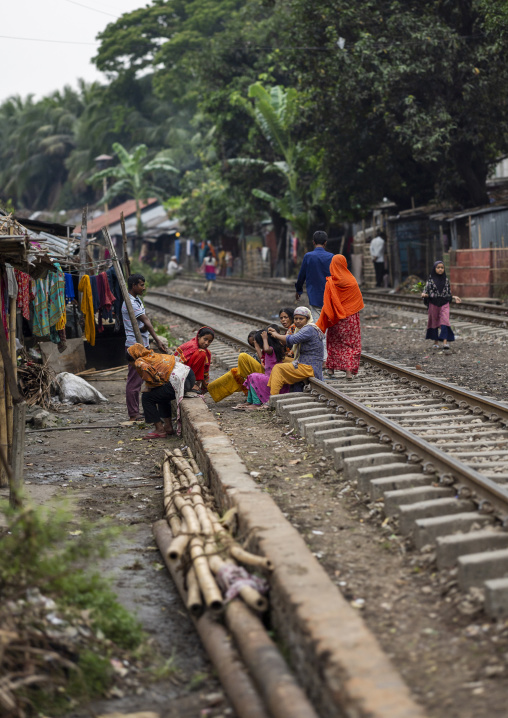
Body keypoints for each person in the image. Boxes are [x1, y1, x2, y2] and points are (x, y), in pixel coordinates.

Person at [127, 344, 198, 439]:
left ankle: (159, 430)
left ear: (133, 359)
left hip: (180, 381)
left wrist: (149, 387)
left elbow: (151, 376)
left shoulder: (139, 362)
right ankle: (168, 426)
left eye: (130, 363)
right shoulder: (152, 355)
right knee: (160, 394)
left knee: (147, 397)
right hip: (189, 376)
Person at [123, 273, 167, 421]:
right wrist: (158, 340)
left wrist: (145, 331)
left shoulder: (136, 300)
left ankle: (137, 411)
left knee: (143, 378)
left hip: (142, 345)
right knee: (134, 381)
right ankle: (133, 414)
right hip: (135, 347)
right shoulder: (130, 303)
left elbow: (141, 326)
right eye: (141, 285)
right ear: (134, 285)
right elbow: (146, 321)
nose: (143, 287)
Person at [316, 254, 364, 379]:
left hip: (335, 319)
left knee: (334, 343)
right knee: (350, 344)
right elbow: (357, 300)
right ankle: (349, 372)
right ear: (344, 264)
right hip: (351, 319)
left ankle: (331, 370)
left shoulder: (330, 283)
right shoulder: (352, 281)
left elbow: (327, 304)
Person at [267, 307, 324, 395]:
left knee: (278, 368)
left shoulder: (309, 329)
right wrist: (277, 335)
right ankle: (277, 391)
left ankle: (273, 398)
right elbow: (291, 344)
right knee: (280, 362)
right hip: (304, 364)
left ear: (307, 319)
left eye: (301, 319)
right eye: (296, 318)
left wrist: (276, 335)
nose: (297, 321)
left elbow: (292, 339)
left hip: (310, 367)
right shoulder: (301, 329)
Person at [208, 331, 263, 403]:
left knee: (243, 357)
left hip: (266, 376)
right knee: (234, 373)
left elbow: (266, 364)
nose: (255, 346)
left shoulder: (268, 347)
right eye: (253, 344)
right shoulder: (258, 350)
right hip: (258, 373)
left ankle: (250, 387)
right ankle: (210, 389)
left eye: (255, 342)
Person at [242, 327, 288, 409]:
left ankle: (256, 403)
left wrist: (264, 338)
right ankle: (250, 401)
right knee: (250, 377)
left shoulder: (272, 349)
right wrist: (256, 346)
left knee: (253, 377)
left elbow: (266, 349)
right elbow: (262, 358)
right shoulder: (269, 351)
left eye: (259, 343)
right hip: (269, 378)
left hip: (274, 380)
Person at [294, 231, 334, 322]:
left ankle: (321, 336)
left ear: (313, 242)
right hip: (330, 296)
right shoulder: (331, 257)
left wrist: (298, 290)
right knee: (328, 322)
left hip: (314, 296)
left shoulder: (308, 256)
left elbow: (301, 275)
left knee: (318, 324)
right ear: (325, 243)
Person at [422, 260, 461, 350]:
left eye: (442, 268)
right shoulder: (430, 280)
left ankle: (445, 342)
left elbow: (447, 293)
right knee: (434, 322)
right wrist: (424, 294)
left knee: (445, 321)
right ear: (434, 269)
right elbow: (425, 290)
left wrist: (454, 297)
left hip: (444, 303)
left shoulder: (446, 280)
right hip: (433, 303)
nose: (440, 269)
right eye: (438, 268)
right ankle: (436, 342)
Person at [175, 327, 214, 391]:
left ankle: (195, 383)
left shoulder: (207, 352)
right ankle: (193, 383)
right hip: (181, 374)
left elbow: (204, 371)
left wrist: (206, 385)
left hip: (187, 373)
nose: (207, 343)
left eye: (209, 341)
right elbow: (179, 363)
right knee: (201, 353)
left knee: (202, 353)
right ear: (198, 337)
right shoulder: (192, 346)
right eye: (205, 339)